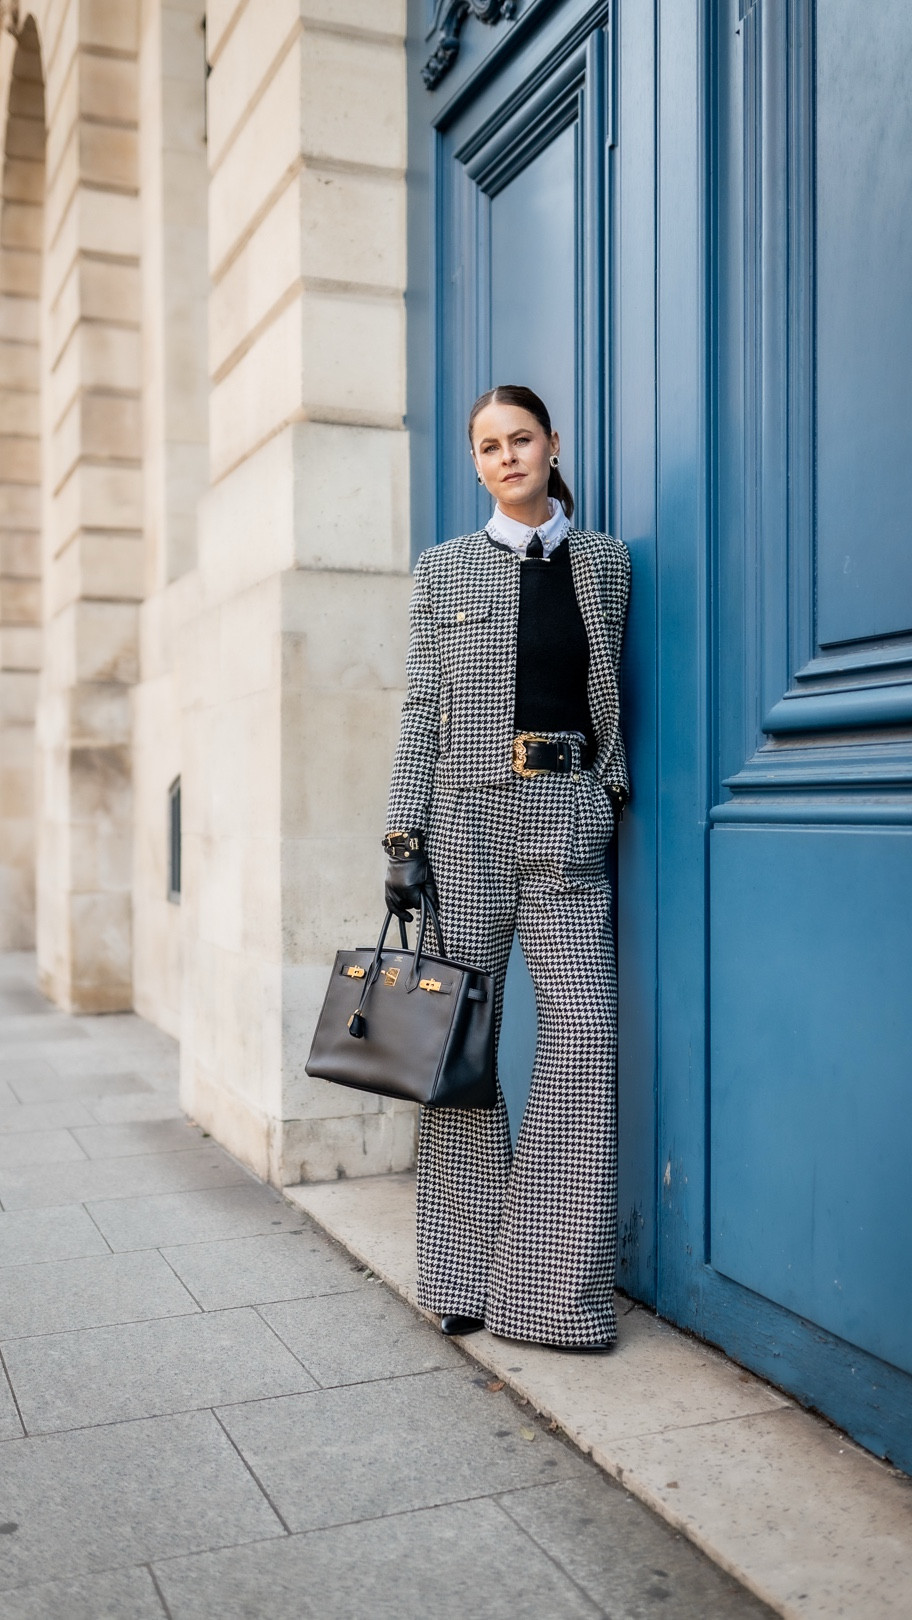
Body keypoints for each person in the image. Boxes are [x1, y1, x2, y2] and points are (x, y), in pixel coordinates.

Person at [382, 384, 630, 1351]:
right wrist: (404, 844)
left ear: (552, 444)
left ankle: (552, 1298)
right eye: (488, 448)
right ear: (477, 463)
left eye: (520, 440)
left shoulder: (606, 563)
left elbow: (614, 687)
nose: (506, 458)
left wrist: (605, 790)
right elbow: (420, 714)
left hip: (566, 824)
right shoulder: (443, 570)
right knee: (461, 1052)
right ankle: (460, 1278)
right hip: (467, 826)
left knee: (581, 1042)